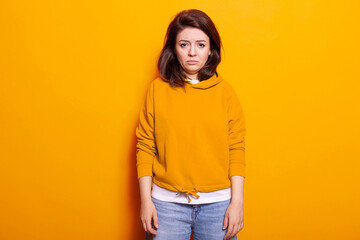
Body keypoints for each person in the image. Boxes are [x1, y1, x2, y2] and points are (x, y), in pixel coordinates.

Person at [135, 9, 246, 240]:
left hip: (218, 205)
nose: (193, 52)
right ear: (174, 50)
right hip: (166, 205)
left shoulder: (226, 94)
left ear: (210, 50)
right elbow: (145, 146)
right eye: (184, 45)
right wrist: (146, 202)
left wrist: (237, 202)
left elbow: (236, 149)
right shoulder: (157, 90)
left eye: (201, 45)